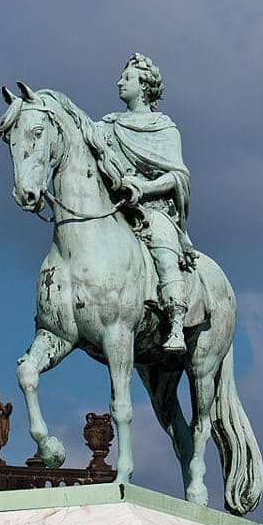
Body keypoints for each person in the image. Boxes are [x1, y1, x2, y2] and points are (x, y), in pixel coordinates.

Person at [92, 53, 194, 354]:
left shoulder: (164, 128)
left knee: (163, 244)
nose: (120, 82)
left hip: (152, 209)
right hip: (112, 208)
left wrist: (146, 187)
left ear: (145, 85)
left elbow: (178, 176)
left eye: (128, 78)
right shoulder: (106, 126)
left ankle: (176, 320)